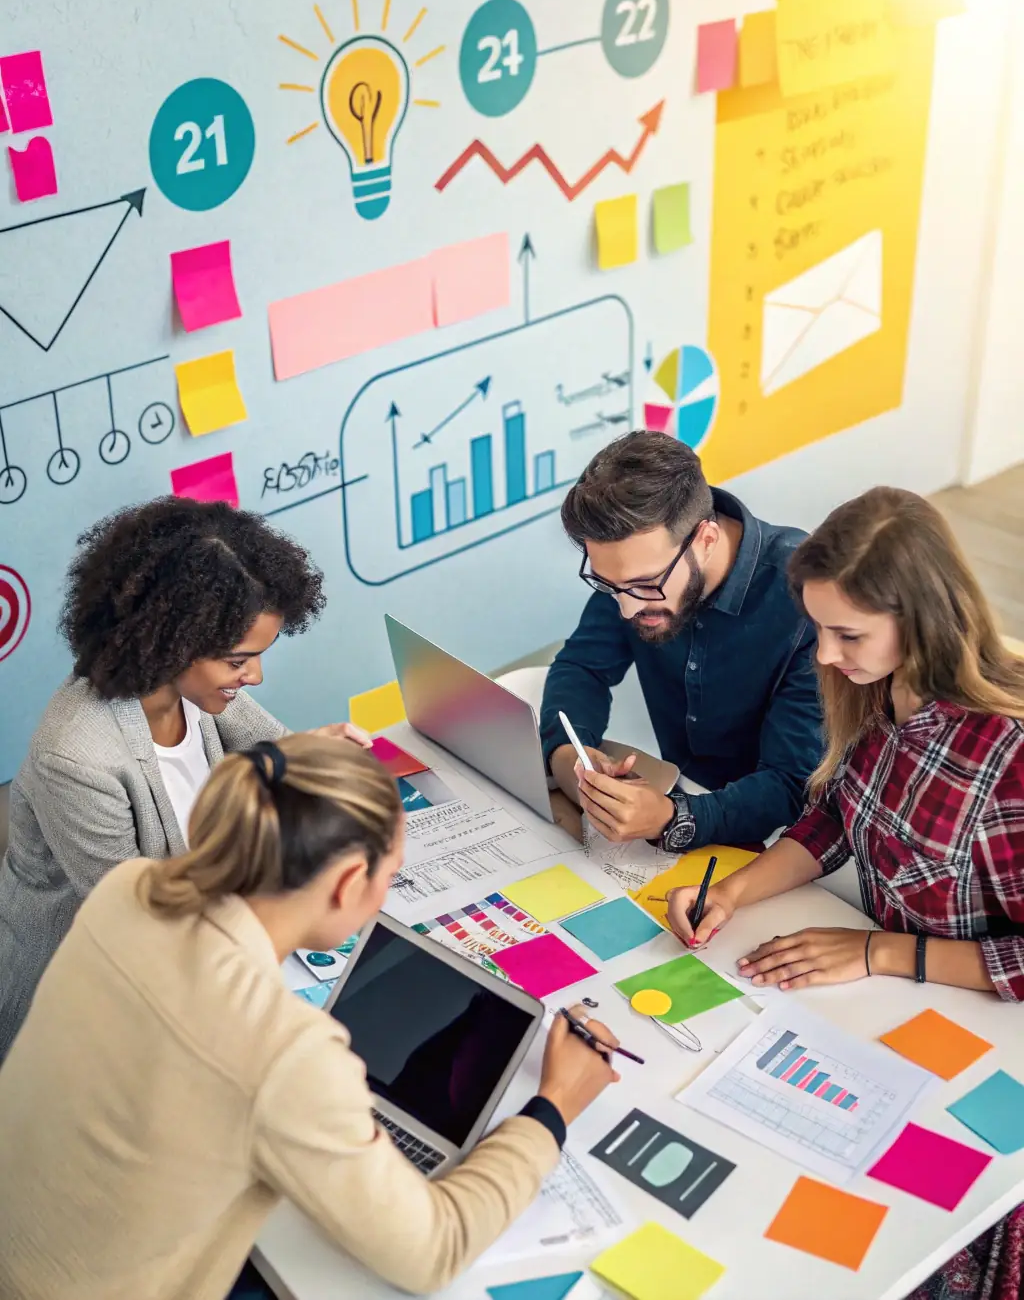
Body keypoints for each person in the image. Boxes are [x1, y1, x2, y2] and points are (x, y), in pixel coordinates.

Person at [0, 736, 619, 1300]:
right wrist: (552, 1107)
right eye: (391, 874)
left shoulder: (130, 888)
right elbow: (436, 1251)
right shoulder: (286, 1052)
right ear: (350, 880)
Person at [667, 486, 1024, 1300]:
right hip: (898, 1013)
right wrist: (732, 889)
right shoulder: (875, 687)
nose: (824, 655)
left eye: (847, 633)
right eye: (818, 628)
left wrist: (878, 951)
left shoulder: (1009, 758)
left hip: (984, 1042)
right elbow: (837, 816)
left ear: (923, 618)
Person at [0, 497, 370, 1062]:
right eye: (238, 661)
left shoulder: (202, 695)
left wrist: (307, 758)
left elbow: (276, 755)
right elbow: (145, 918)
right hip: (84, 1010)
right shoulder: (76, 755)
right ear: (171, 642)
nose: (255, 676)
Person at [541, 431, 822, 852]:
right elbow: (582, 666)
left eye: (643, 586)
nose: (626, 610)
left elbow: (790, 785)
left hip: (791, 843)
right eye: (607, 585)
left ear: (705, 540)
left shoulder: (810, 598)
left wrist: (673, 817)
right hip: (676, 795)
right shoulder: (632, 575)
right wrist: (569, 757)